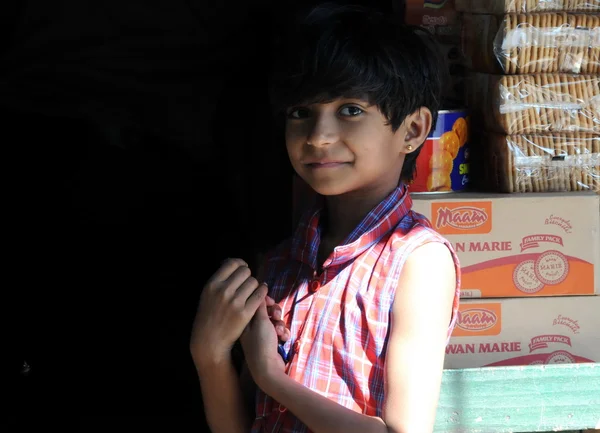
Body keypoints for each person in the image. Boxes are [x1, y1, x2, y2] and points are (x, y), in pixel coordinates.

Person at [189, 3, 461, 433]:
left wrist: (271, 378)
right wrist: (209, 356)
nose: (318, 137)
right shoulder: (280, 262)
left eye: (351, 110)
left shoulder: (416, 262)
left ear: (412, 131)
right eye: (301, 113)